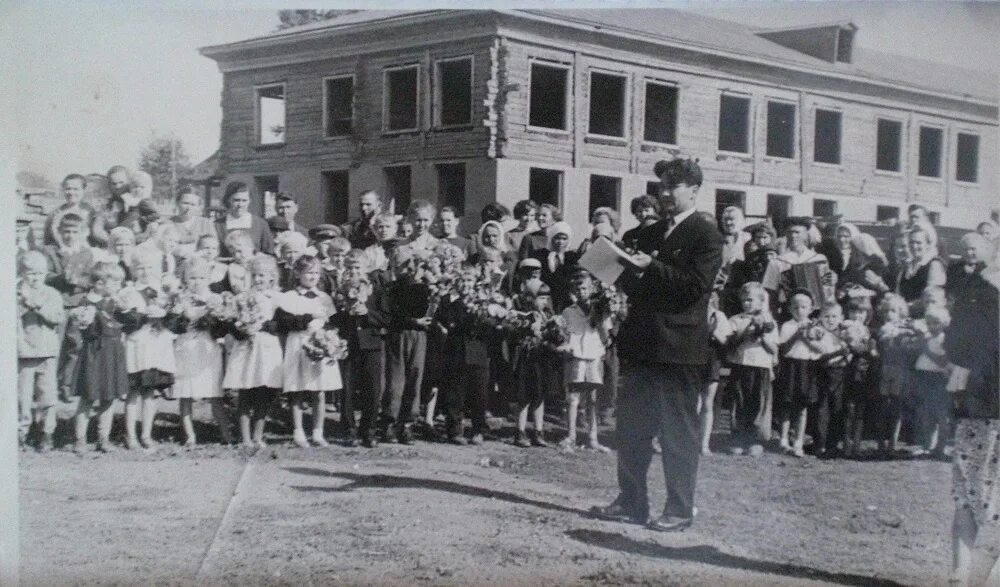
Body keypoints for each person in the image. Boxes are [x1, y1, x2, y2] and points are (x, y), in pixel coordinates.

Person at [592, 158, 723, 532]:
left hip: (679, 350)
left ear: (694, 190)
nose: (663, 194)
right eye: (661, 186)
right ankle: (632, 503)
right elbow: (636, 286)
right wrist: (612, 267)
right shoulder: (647, 234)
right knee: (632, 432)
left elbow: (695, 287)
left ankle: (679, 510)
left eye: (672, 187)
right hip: (642, 345)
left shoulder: (706, 235)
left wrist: (650, 266)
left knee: (678, 436)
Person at [946, 243, 999, 587]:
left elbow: (954, 347)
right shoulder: (978, 290)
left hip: (976, 406)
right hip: (984, 406)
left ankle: (962, 576)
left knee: (968, 494)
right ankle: (975, 578)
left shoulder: (974, 290)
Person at [276, 255, 342, 448]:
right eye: (308, 272)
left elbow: (332, 323)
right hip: (298, 343)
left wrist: (329, 341)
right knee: (297, 390)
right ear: (297, 273)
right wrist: (308, 317)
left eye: (316, 272)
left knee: (319, 391)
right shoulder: (288, 297)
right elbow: (285, 322)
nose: (313, 276)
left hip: (319, 343)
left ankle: (318, 432)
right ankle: (298, 431)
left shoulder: (324, 297)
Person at [170, 256, 232, 446]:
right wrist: (180, 317)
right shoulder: (179, 299)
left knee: (214, 393)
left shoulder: (215, 299)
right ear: (185, 279)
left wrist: (215, 318)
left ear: (209, 279)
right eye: (192, 278)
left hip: (207, 348)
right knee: (186, 392)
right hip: (186, 347)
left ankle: (225, 433)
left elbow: (221, 328)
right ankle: (190, 435)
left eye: (201, 278)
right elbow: (173, 326)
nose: (197, 283)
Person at [223, 255, 283, 449]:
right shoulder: (242, 297)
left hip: (267, 347)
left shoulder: (277, 298)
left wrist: (266, 325)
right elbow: (232, 322)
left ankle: (258, 435)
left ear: (271, 277)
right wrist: (242, 328)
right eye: (255, 275)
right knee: (246, 391)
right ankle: (245, 437)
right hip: (247, 347)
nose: (258, 280)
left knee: (264, 392)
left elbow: (282, 322)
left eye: (262, 276)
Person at [71, 261, 131, 453]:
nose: (118, 287)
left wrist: (127, 310)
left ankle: (103, 438)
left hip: (113, 351)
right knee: (89, 396)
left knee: (109, 396)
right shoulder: (87, 303)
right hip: (94, 352)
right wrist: (84, 316)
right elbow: (83, 326)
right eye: (115, 283)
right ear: (99, 284)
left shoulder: (116, 302)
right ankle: (80, 439)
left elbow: (128, 321)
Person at [122, 247, 178, 450]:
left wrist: (167, 313)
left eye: (149, 267)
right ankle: (130, 435)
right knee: (134, 392)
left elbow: (172, 322)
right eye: (140, 268)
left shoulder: (162, 292)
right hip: (137, 347)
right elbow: (126, 320)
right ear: (133, 270)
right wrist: (143, 315)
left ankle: (146, 433)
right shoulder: (128, 292)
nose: (145, 271)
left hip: (156, 347)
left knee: (150, 393)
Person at [337, 250, 391, 448]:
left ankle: (368, 430)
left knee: (373, 389)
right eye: (349, 267)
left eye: (358, 267)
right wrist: (345, 312)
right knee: (347, 388)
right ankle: (349, 430)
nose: (353, 271)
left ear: (366, 268)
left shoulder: (376, 291)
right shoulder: (341, 290)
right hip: (349, 343)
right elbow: (334, 318)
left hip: (372, 344)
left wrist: (367, 313)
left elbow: (386, 318)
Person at [381, 246, 433, 444]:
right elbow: (392, 313)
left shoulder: (422, 286)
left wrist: (423, 280)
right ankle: (389, 422)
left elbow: (423, 309)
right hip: (399, 334)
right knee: (396, 380)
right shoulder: (391, 288)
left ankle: (408, 423)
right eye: (402, 265)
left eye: (409, 264)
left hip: (418, 336)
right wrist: (413, 321)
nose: (407, 269)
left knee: (415, 377)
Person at [435, 267, 492, 445]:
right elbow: (445, 320)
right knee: (455, 393)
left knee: (479, 394)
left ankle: (478, 430)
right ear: (457, 283)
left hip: (478, 352)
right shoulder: (449, 300)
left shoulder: (484, 300)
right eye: (463, 281)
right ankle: (454, 430)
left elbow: (490, 324)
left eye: (469, 281)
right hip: (457, 351)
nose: (466, 284)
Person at [559, 270, 613, 453]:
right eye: (577, 288)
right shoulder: (568, 311)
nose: (581, 291)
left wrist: (599, 321)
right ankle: (571, 435)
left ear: (591, 289)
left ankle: (593, 437)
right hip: (575, 356)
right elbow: (564, 336)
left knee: (592, 398)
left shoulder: (601, 309)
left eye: (584, 288)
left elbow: (606, 338)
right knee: (573, 397)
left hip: (594, 354)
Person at [17, 251, 65, 451]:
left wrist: (37, 306)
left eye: (39, 274)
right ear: (21, 273)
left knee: (47, 395)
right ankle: (20, 433)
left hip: (46, 351)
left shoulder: (51, 294)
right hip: (24, 351)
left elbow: (56, 317)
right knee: (23, 396)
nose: (35, 278)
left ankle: (47, 432)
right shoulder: (15, 293)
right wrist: (23, 304)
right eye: (30, 273)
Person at [724, 282, 778, 455]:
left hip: (760, 366)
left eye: (750, 300)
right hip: (740, 365)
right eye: (744, 301)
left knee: (758, 403)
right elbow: (730, 344)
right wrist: (747, 330)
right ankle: (738, 438)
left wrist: (762, 334)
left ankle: (755, 440)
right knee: (739, 402)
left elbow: (774, 349)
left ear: (761, 301)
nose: (746, 304)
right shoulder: (736, 320)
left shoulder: (769, 320)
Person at [776, 291, 824, 457]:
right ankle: (783, 440)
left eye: (804, 307)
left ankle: (798, 441)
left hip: (807, 367)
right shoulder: (787, 326)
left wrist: (807, 338)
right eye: (795, 307)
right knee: (787, 404)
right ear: (789, 308)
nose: (799, 310)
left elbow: (820, 351)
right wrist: (797, 335)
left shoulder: (815, 327)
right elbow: (783, 349)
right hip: (790, 366)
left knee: (802, 406)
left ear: (810, 309)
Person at [510, 271, 553, 448]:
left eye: (546, 298)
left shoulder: (547, 317)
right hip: (527, 359)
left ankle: (538, 430)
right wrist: (529, 327)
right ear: (530, 298)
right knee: (525, 396)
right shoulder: (523, 315)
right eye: (541, 298)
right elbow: (516, 332)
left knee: (540, 395)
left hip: (541, 359)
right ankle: (520, 431)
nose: (545, 302)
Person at [215, 182, 274, 256]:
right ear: (228, 200)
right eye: (236, 200)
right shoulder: (218, 225)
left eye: (244, 200)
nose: (240, 205)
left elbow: (269, 253)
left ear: (249, 201)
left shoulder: (260, 224)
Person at [45, 174, 104, 248]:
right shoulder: (55, 213)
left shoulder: (90, 212)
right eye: (68, 189)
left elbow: (96, 237)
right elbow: (47, 240)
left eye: (76, 189)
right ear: (63, 189)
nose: (71, 192)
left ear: (84, 190)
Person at [535, 221, 579, 313]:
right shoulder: (541, 255)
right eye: (557, 238)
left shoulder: (572, 257)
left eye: (564, 238)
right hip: (547, 298)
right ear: (551, 238)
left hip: (566, 300)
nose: (560, 242)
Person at [171, 187, 216, 260]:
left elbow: (214, 248)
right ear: (177, 203)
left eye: (193, 204)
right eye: (185, 203)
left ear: (198, 207)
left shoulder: (206, 224)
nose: (188, 208)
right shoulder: (168, 224)